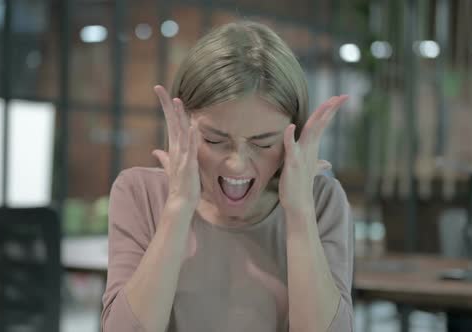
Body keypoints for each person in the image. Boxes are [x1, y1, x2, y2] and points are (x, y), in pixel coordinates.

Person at [101, 21, 353, 332]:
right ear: (181, 125)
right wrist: (178, 209)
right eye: (215, 140)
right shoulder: (139, 192)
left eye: (263, 143)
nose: (237, 164)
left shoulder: (321, 201)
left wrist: (300, 214)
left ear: (294, 135)